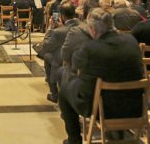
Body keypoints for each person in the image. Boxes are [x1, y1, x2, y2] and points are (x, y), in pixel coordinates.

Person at [58, 8, 144, 144]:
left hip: (100, 107)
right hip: (135, 105)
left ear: (92, 29)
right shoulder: (131, 41)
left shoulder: (91, 49)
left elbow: (74, 64)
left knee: (64, 88)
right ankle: (118, 134)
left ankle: (74, 140)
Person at [39, 3, 79, 103]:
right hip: (80, 57)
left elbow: (46, 45)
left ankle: (54, 92)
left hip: (66, 59)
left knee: (47, 55)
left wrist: (50, 29)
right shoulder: (83, 26)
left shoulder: (58, 32)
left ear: (62, 16)